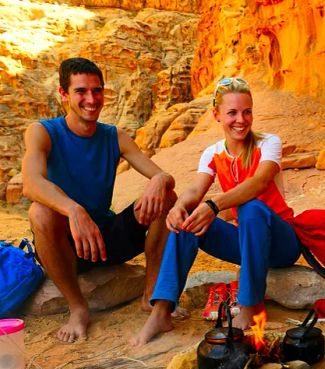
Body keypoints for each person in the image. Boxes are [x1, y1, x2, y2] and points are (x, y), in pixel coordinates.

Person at [130, 77, 301, 346]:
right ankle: (162, 310)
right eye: (232, 113)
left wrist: (214, 205)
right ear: (217, 115)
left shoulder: (269, 143)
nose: (241, 120)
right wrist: (178, 207)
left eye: (247, 112)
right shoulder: (212, 153)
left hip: (281, 242)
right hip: (246, 243)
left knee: (251, 206)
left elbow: (258, 183)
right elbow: (195, 190)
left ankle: (249, 306)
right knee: (188, 219)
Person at [22, 58, 176, 343]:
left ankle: (151, 295)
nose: (91, 99)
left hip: (104, 239)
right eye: (81, 91)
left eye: (97, 91)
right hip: (68, 244)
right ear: (64, 94)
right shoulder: (43, 132)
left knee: (168, 197)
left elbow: (164, 176)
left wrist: (159, 180)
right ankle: (78, 308)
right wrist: (73, 210)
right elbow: (31, 183)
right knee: (39, 213)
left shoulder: (114, 136)